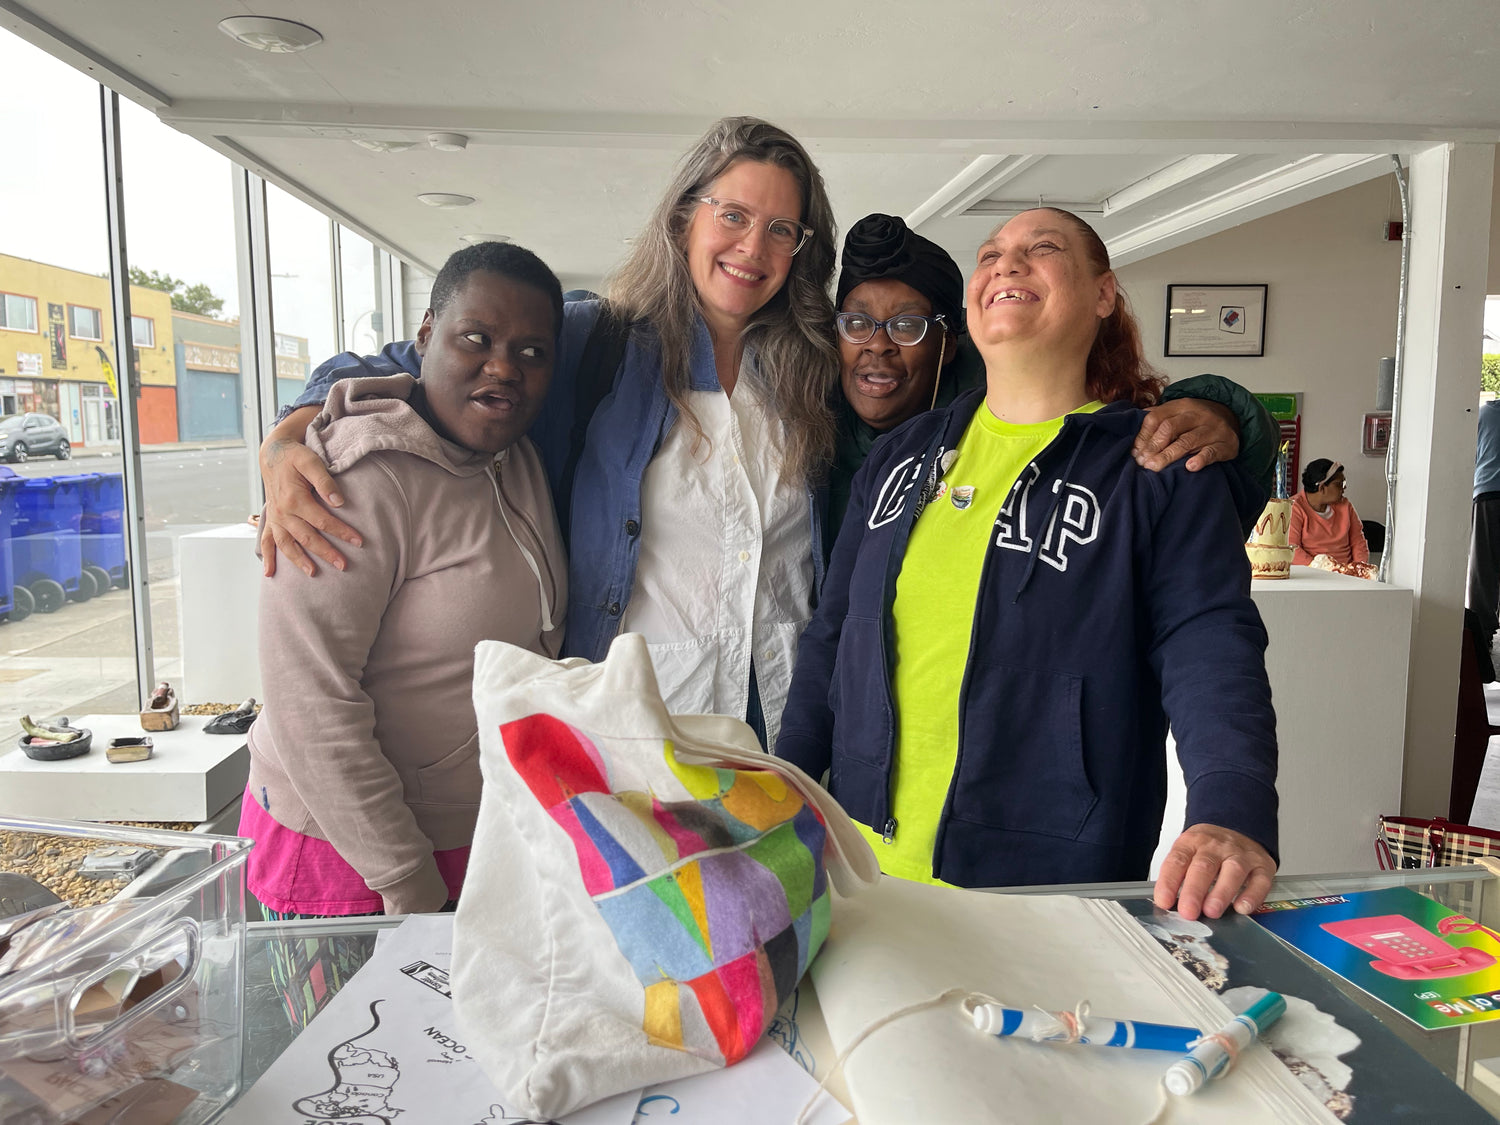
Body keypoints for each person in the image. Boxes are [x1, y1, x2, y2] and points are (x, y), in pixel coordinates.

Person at [257, 119, 1270, 751]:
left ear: (803, 249)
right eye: (734, 217)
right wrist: (293, 431)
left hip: (785, 725)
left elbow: (1028, 373)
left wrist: (1226, 406)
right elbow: (420, 360)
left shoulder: (822, 364)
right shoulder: (593, 346)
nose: (754, 248)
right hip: (628, 726)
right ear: (687, 217)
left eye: (782, 230)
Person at [776, 207, 1278, 922]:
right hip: (860, 876)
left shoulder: (1157, 465)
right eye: (991, 254)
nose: (1006, 264)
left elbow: (1210, 645)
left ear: (1104, 295)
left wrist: (1232, 807)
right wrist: (784, 785)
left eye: (1041, 249)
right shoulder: (897, 457)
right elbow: (832, 637)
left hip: (1046, 884)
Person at [244, 242, 567, 918]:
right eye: (475, 338)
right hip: (351, 859)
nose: (504, 367)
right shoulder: (349, 479)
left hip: (467, 837)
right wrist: (404, 879)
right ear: (424, 336)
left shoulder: (516, 459)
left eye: (533, 352)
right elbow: (310, 699)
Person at [828, 213, 1278, 535]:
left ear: (950, 343)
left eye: (908, 325)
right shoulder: (805, 416)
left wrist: (1221, 408)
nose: (877, 342)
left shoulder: (1004, 412)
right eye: (855, 323)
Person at [1468, 399, 1500, 680]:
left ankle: (1484, 634)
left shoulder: (1484, 413)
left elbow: (1470, 455)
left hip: (1488, 494)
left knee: (1484, 568)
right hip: (1487, 490)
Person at [1289, 458, 1369, 567]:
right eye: (1339, 484)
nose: (1344, 488)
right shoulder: (1293, 507)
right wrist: (1325, 569)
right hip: (1313, 573)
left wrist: (1359, 569)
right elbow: (1292, 549)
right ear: (1322, 487)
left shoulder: (1346, 506)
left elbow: (1358, 543)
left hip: (1346, 574)